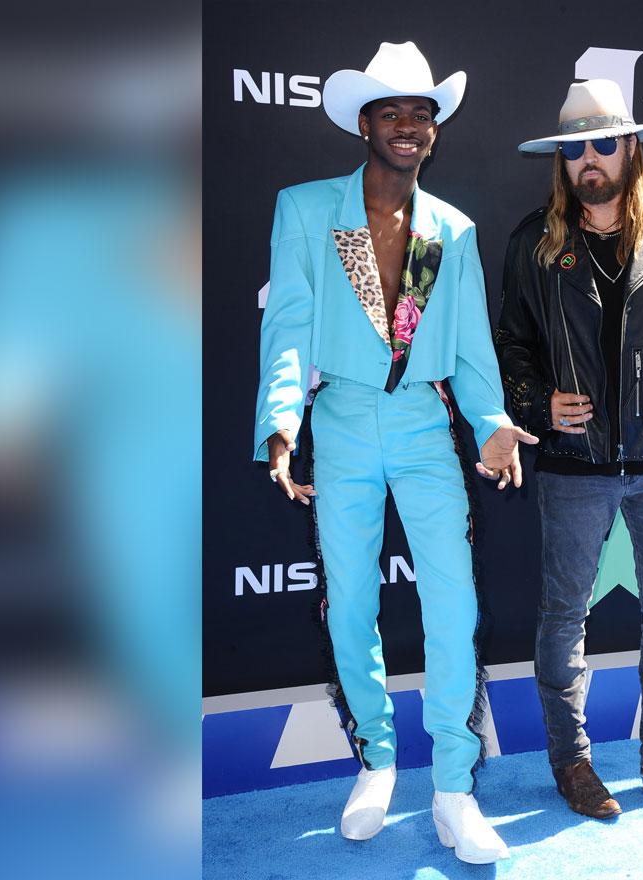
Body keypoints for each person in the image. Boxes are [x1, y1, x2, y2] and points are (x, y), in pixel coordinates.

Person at [255, 41, 535, 863]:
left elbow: (475, 347)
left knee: (453, 603)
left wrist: (490, 421)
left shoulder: (454, 228)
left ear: (434, 129)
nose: (410, 126)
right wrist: (281, 424)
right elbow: (288, 325)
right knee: (349, 600)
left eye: (423, 113)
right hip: (339, 418)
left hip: (421, 426)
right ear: (365, 124)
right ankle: (376, 758)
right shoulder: (305, 210)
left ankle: (453, 786)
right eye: (394, 112)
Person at [495, 78, 643, 821]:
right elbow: (508, 347)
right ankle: (572, 765)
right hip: (573, 470)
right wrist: (538, 403)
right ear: (561, 162)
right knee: (564, 620)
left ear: (633, 148)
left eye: (603, 143)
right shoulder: (532, 242)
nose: (589, 160)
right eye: (575, 149)